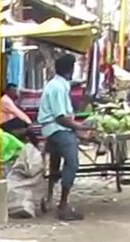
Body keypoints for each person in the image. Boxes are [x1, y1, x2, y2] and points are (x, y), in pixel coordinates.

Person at [37, 53, 91, 222]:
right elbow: (61, 117)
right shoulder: (58, 87)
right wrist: (80, 127)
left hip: (52, 129)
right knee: (72, 163)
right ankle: (63, 205)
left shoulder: (57, 84)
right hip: (57, 129)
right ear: (70, 69)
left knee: (55, 164)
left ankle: (49, 197)